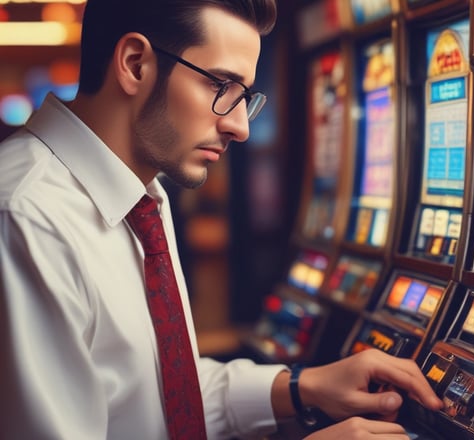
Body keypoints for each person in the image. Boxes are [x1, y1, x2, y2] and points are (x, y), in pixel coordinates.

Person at [0, 0, 443, 438]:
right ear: (135, 64)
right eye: (221, 87)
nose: (241, 127)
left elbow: (157, 399)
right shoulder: (24, 217)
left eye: (244, 97)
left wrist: (303, 386)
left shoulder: (139, 194)